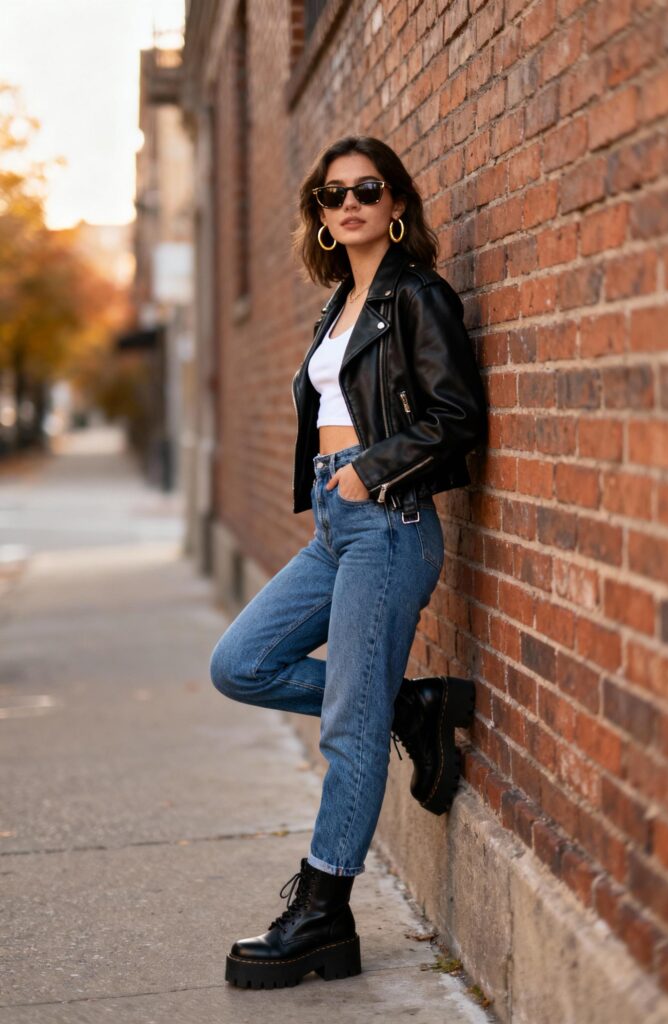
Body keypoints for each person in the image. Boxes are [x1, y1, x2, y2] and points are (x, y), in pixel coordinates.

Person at [209, 135, 488, 990]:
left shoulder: (415, 296)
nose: (351, 204)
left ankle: (323, 910)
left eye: (368, 189)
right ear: (321, 219)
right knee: (241, 664)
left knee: (347, 725)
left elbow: (455, 415)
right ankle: (414, 704)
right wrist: (342, 484)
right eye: (333, 196)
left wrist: (369, 468)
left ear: (396, 204)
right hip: (337, 524)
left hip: (389, 519)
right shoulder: (339, 305)